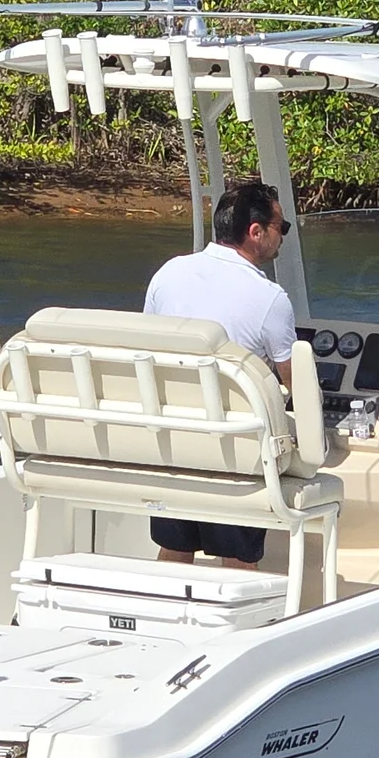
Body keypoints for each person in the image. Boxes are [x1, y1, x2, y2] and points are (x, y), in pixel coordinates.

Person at [143, 179, 296, 571]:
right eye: (283, 227)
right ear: (256, 232)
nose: (284, 236)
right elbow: (297, 386)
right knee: (238, 555)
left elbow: (145, 351)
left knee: (175, 549)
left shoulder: (168, 274)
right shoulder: (269, 299)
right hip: (235, 455)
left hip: (172, 445)